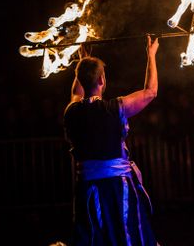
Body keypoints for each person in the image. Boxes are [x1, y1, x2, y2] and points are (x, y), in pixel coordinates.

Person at [63, 35, 160, 245]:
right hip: (116, 187)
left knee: (94, 236)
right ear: (101, 80)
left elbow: (75, 93)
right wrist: (151, 55)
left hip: (87, 188)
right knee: (126, 235)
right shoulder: (113, 109)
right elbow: (150, 92)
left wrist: (83, 63)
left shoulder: (71, 111)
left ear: (80, 80)